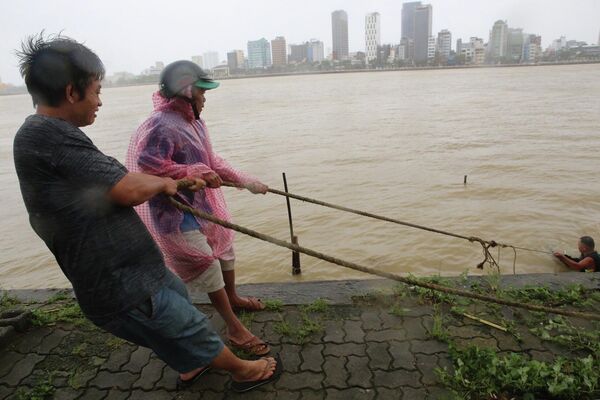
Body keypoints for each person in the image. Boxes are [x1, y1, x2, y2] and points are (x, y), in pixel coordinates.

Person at [13, 33, 281, 392]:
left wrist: (245, 181)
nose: (100, 101)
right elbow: (131, 182)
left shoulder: (59, 134)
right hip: (118, 278)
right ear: (71, 92)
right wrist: (174, 180)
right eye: (96, 90)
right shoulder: (52, 136)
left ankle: (192, 364)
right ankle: (242, 369)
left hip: (135, 263)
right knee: (183, 321)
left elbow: (206, 163)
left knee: (178, 299)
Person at [126, 60, 270, 356]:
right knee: (207, 264)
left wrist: (246, 182)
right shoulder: (159, 126)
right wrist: (191, 171)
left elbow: (212, 161)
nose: (205, 98)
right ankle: (234, 328)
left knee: (226, 249)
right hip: (175, 212)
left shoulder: (196, 122)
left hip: (203, 205)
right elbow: (149, 166)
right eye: (202, 92)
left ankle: (234, 297)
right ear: (187, 92)